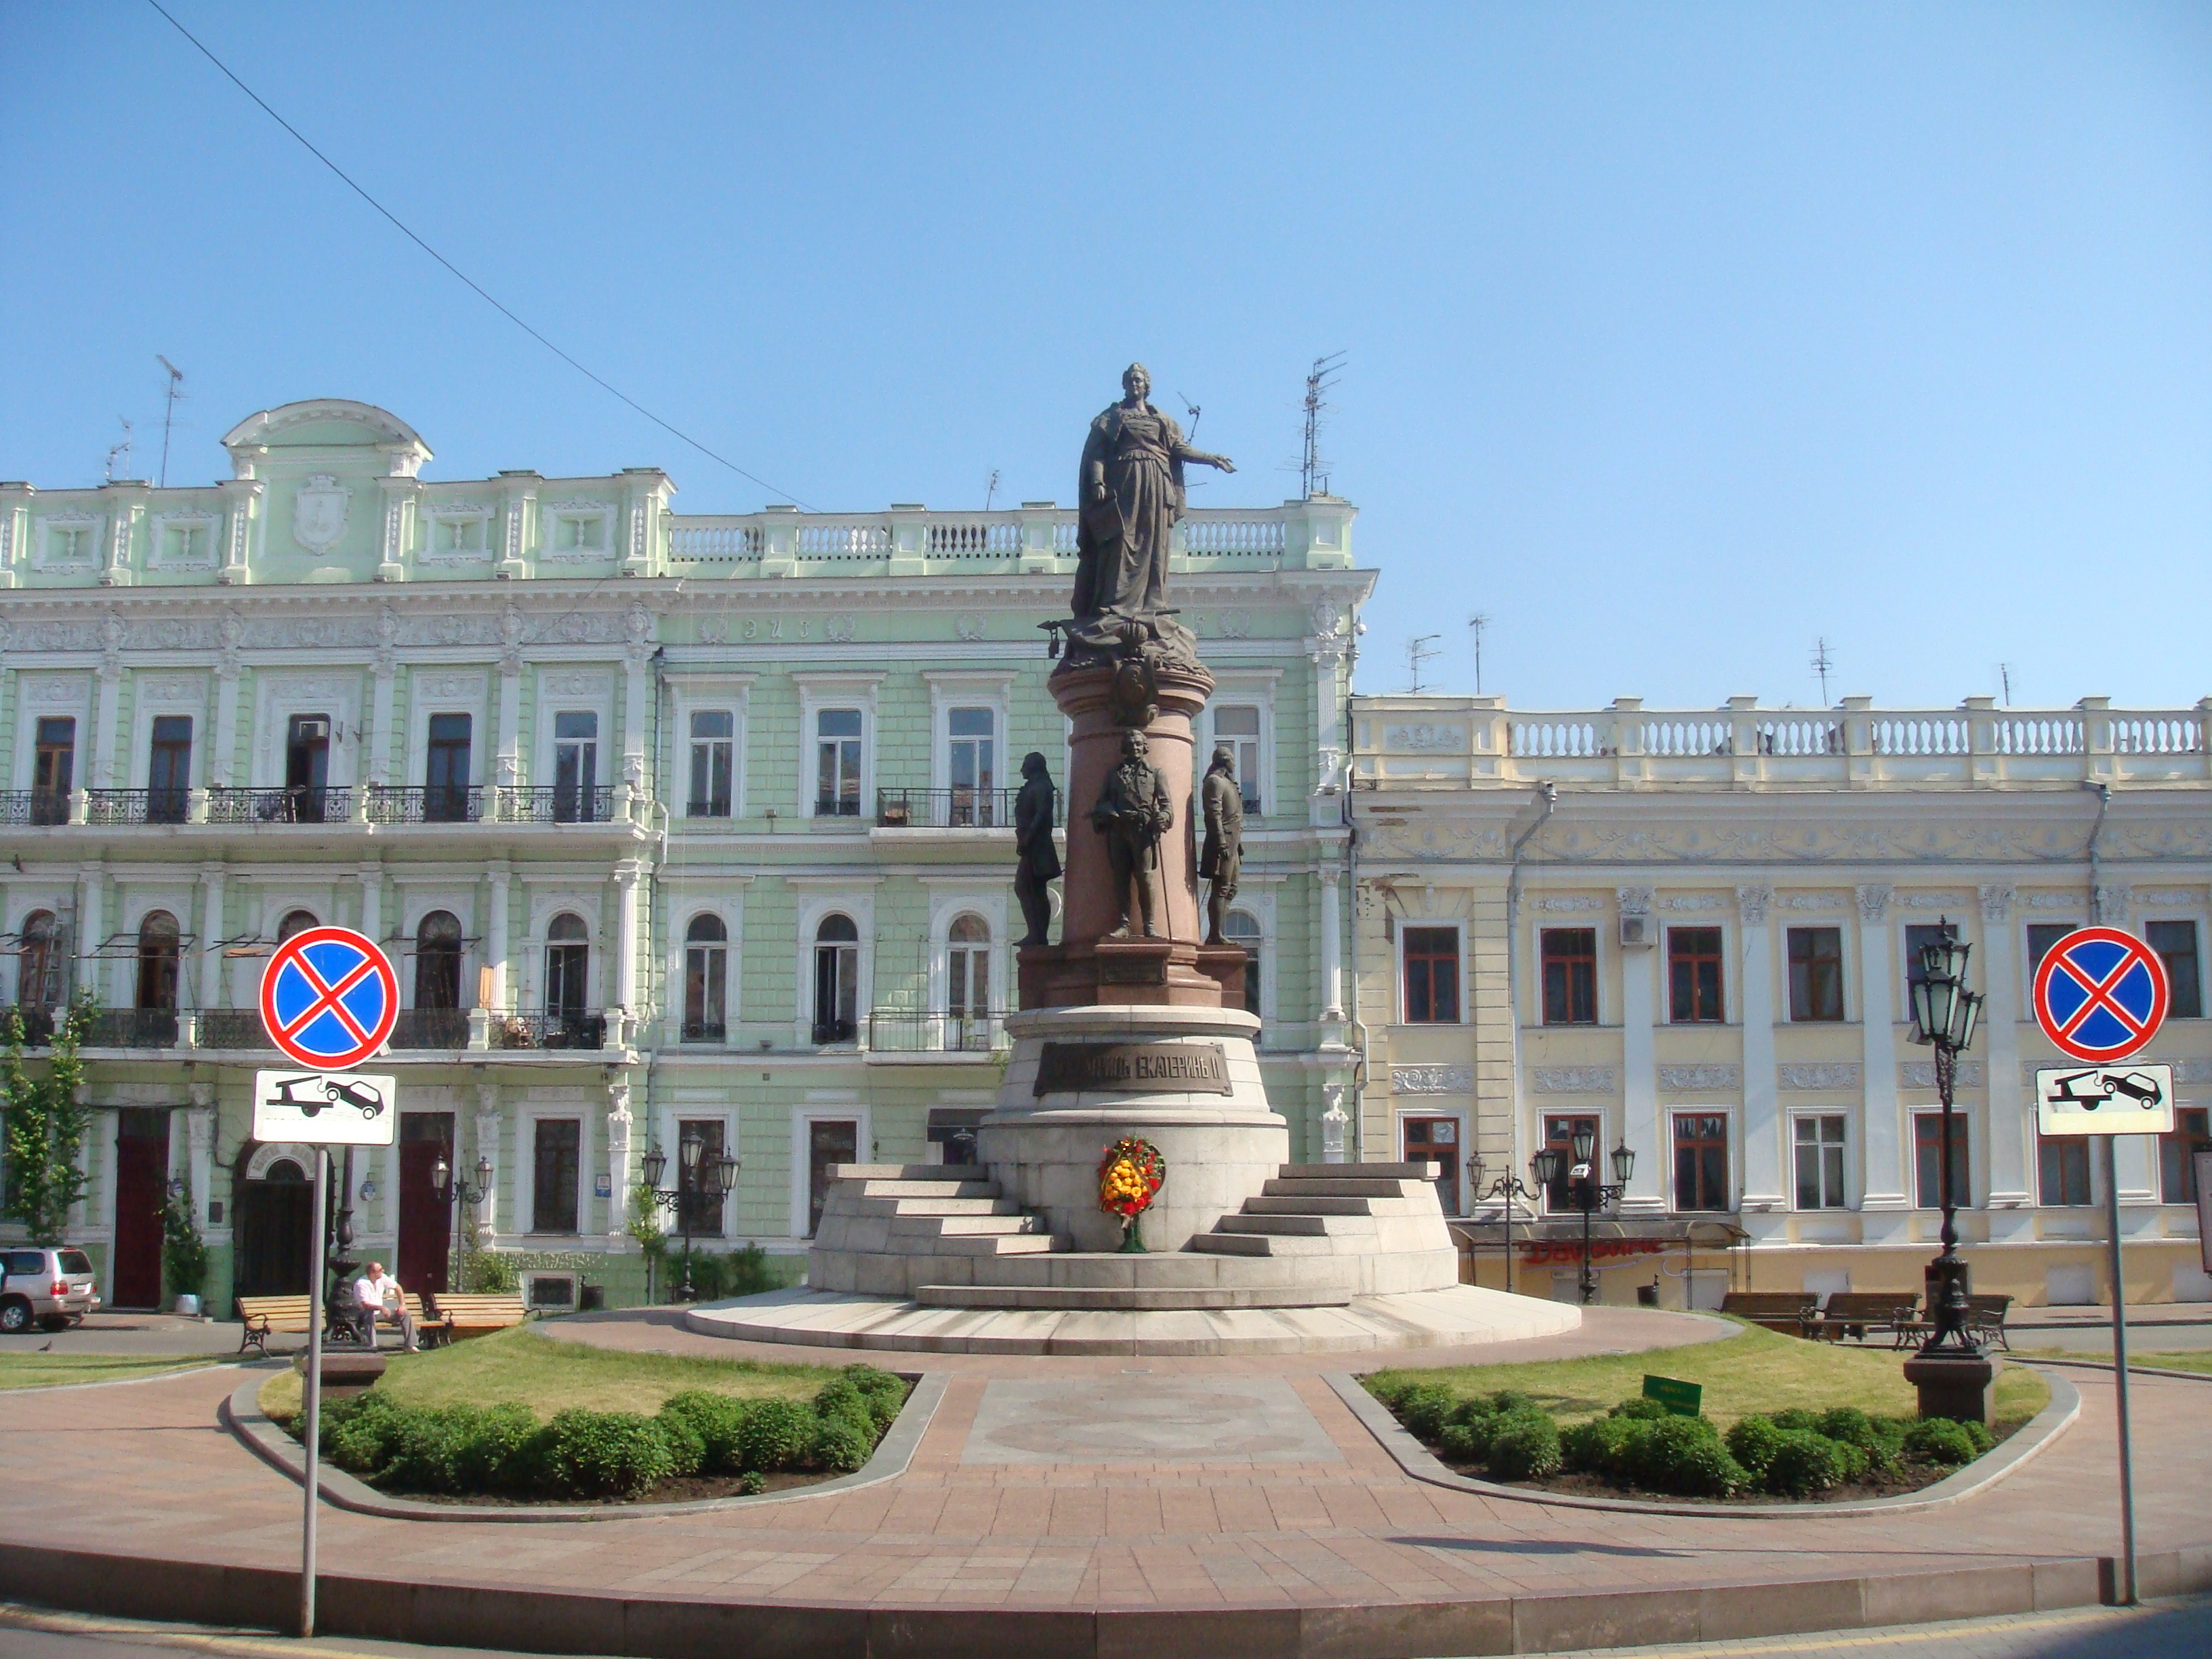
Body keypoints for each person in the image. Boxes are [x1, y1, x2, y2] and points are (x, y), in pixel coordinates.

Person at [1072, 364, 1235, 625]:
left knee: (1154, 540)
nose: (1135, 384)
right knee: (1122, 539)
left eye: (1139, 380)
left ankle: (1153, 602)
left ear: (1147, 386)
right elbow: (1097, 454)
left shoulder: (1161, 420)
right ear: (1124, 385)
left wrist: (1211, 459)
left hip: (1156, 485)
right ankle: (1115, 603)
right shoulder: (1112, 418)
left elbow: (1179, 449)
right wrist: (1097, 483)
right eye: (1131, 380)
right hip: (1124, 484)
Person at [1090, 729, 1172, 939]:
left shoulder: (1155, 774)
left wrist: (1163, 817)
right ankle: (1124, 924)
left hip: (1142, 830)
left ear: (1145, 747)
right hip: (1119, 829)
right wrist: (1107, 813)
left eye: (1138, 744)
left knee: (1145, 877)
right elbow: (1101, 802)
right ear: (1124, 747)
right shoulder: (1114, 774)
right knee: (1121, 877)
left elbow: (1167, 805)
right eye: (1131, 744)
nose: (1135, 748)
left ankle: (1149, 925)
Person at [1012, 751, 1060, 947]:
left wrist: (1028, 838)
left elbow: (1041, 815)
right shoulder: (1035, 786)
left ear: (1033, 766)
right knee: (1034, 889)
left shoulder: (1041, 786)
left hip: (1038, 846)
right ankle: (1037, 934)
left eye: (1025, 764)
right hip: (1033, 844)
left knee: (1025, 886)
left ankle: (1037, 934)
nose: (1021, 769)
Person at [1200, 743, 1244, 945]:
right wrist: (1221, 842)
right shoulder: (1215, 781)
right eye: (1232, 759)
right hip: (1223, 842)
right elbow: (1213, 814)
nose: (1235, 763)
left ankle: (1217, 932)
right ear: (1225, 760)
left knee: (1232, 888)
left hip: (1234, 843)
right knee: (1221, 887)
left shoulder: (1229, 783)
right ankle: (1215, 934)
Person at [353, 1261, 418, 1353]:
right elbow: (365, 1305)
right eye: (380, 1270)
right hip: (362, 1314)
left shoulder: (382, 1278)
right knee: (369, 1315)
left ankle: (410, 1346)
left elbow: (398, 1288)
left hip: (380, 1313)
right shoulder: (361, 1284)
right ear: (372, 1272)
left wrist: (402, 1305)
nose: (383, 1271)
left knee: (405, 1314)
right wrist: (381, 1308)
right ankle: (372, 1347)